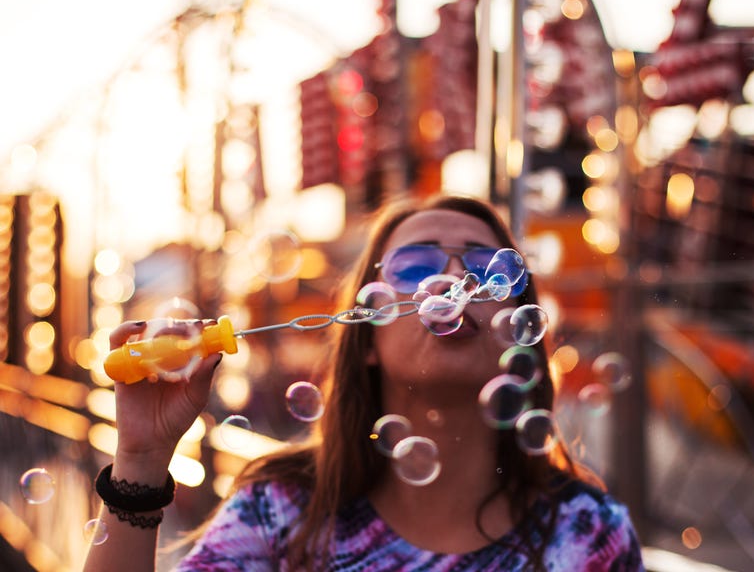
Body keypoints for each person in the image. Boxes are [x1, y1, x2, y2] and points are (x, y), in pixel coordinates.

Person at [83, 194, 644, 571]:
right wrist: (141, 458)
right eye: (417, 265)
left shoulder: (589, 535)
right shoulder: (284, 513)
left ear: (518, 330)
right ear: (367, 336)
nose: (454, 281)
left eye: (484, 268)